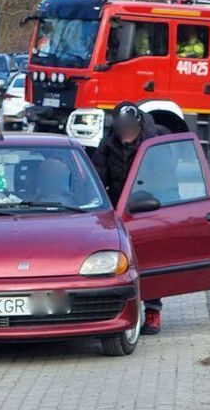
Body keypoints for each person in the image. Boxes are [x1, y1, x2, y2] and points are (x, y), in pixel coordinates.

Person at [91, 101, 166, 335]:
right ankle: (114, 312)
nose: (126, 134)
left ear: (139, 125)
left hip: (147, 208)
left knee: (149, 260)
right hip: (117, 211)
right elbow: (97, 178)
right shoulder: (107, 144)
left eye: (130, 129)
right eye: (122, 129)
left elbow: (164, 178)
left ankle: (153, 311)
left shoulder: (153, 144)